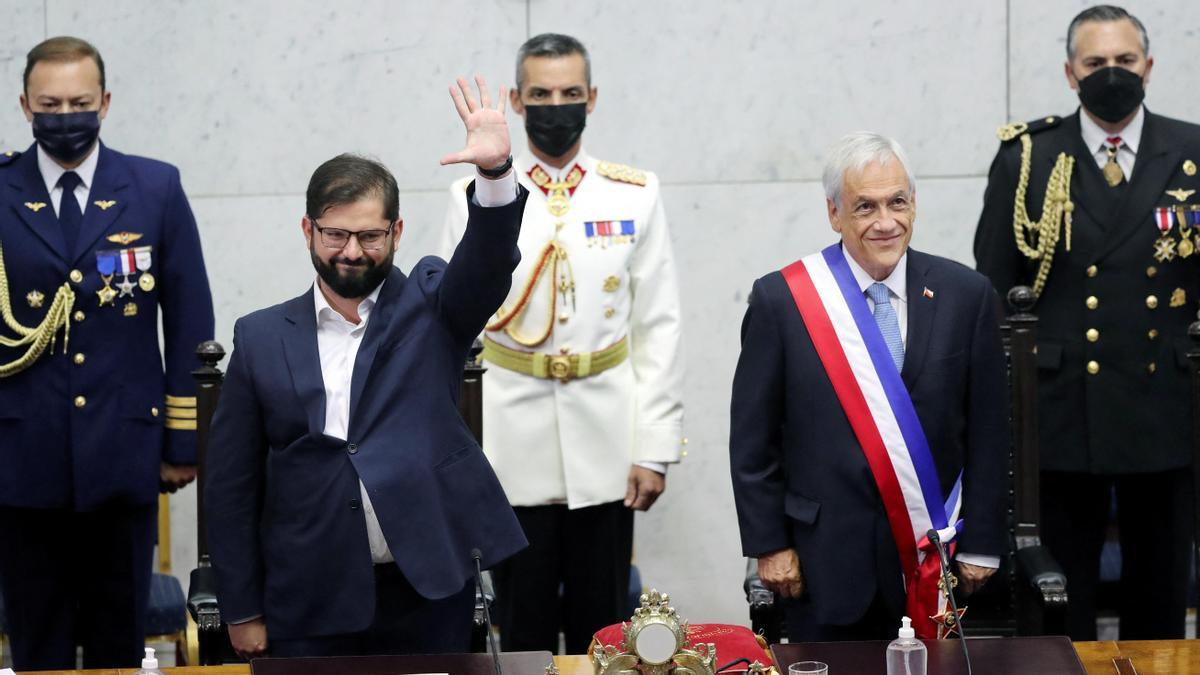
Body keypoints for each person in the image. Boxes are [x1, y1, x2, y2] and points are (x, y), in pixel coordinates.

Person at [204, 76, 528, 658]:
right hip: (307, 598)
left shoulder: (432, 304)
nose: (352, 251)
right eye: (335, 234)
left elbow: (487, 265)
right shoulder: (258, 337)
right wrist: (242, 607)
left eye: (370, 235)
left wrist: (496, 174)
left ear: (397, 233)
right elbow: (231, 487)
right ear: (307, 231)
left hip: (426, 590)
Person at [439, 33, 685, 653]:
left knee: (604, 628)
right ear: (519, 102)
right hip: (507, 441)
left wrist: (653, 447)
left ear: (592, 98)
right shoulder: (475, 193)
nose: (557, 105)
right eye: (542, 94)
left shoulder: (633, 192)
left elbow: (659, 325)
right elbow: (449, 328)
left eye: (570, 93)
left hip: (607, 440)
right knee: (518, 627)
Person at [973, 5, 1200, 640]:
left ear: (1148, 67)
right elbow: (996, 290)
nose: (1111, 74)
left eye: (1124, 61)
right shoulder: (1029, 158)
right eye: (1095, 63)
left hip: (1166, 408)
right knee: (1058, 598)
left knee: (1160, 595)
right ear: (1071, 74)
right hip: (1062, 413)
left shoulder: (1192, 152)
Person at [731, 132, 1008, 641]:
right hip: (822, 564)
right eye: (865, 207)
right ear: (834, 214)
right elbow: (753, 441)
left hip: (938, 560)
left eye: (897, 202)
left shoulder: (967, 295)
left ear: (914, 204)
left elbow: (990, 432)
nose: (885, 222)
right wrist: (769, 545)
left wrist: (983, 544)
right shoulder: (783, 301)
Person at [0, 36, 213, 669]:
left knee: (119, 641)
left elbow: (189, 322)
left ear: (106, 102)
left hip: (124, 456)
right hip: (20, 456)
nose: (66, 116)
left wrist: (181, 443)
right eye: (51, 103)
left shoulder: (153, 187)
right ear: (25, 106)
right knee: (37, 641)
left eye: (80, 102)